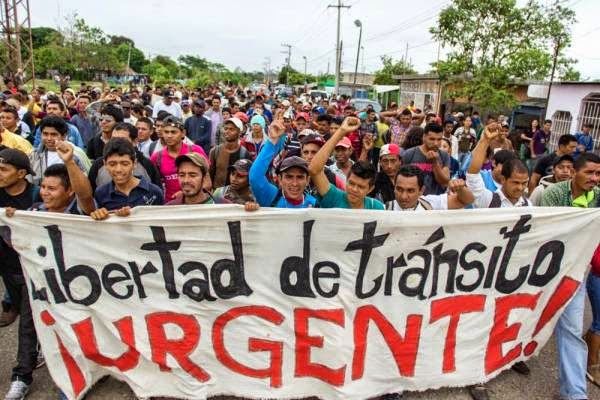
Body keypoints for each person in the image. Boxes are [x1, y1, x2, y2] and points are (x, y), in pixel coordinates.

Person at [3, 141, 94, 400]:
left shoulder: (78, 213)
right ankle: (21, 377)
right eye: (43, 187)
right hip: (40, 280)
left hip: (76, 285)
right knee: (28, 328)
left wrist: (69, 162)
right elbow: (17, 244)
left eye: (52, 189)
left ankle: (76, 378)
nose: (44, 193)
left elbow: (86, 197)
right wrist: (13, 224)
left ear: (68, 192)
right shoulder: (34, 212)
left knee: (75, 329)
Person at [541, 152, 600, 400]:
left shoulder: (597, 198)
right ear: (573, 172)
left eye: (598, 174)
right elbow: (545, 232)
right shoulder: (554, 194)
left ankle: (574, 393)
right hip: (542, 274)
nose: (595, 178)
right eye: (589, 172)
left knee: (571, 330)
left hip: (574, 275)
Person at [308, 116, 384, 210]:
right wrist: (341, 131)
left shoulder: (376, 207)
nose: (354, 190)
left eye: (361, 187)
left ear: (370, 189)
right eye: (351, 183)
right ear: (347, 179)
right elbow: (314, 170)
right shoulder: (334, 198)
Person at [0, 148, 38, 330]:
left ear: (21, 173)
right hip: (7, 261)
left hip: (32, 259)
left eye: (3, 169)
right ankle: (13, 305)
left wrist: (23, 216)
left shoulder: (37, 194)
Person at [249, 114, 316, 208]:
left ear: (307, 180)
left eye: (300, 177)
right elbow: (255, 177)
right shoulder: (272, 197)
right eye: (289, 177)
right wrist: (272, 141)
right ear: (280, 179)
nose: (294, 183)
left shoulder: (315, 205)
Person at [91, 139, 164, 220]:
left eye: (125, 164)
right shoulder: (101, 193)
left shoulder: (154, 192)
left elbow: (161, 222)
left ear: (134, 163)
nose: (118, 169)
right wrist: (100, 214)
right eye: (112, 164)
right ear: (105, 164)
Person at [467, 125, 531, 209]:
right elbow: (473, 175)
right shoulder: (489, 200)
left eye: (524, 183)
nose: (520, 188)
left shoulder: (528, 205)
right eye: (515, 182)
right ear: (503, 180)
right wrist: (485, 140)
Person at [88, 123, 161, 192]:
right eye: (113, 139)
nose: (117, 143)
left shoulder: (146, 165)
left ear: (135, 142)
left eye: (122, 140)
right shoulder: (98, 165)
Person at [150, 115, 209, 201]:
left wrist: (185, 193)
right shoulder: (157, 157)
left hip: (195, 203)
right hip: (171, 204)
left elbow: (207, 182)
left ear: (183, 133)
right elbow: (153, 185)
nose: (169, 136)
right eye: (166, 132)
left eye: (173, 132)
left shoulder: (196, 150)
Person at [387, 165, 474, 210]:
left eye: (410, 191)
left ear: (421, 190)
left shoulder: (431, 204)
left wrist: (461, 189)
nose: (403, 196)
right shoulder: (384, 209)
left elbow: (466, 201)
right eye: (399, 189)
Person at [29, 116, 87, 185]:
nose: (49, 138)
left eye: (54, 134)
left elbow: (82, 183)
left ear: (64, 136)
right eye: (45, 134)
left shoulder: (74, 156)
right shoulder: (34, 156)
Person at [402, 123, 450, 195]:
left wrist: (435, 162)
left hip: (434, 199)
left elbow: (444, 182)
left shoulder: (444, 155)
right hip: (413, 198)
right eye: (432, 139)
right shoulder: (409, 154)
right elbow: (402, 179)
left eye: (439, 139)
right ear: (424, 137)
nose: (436, 143)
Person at [208, 117, 251, 189]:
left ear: (239, 132)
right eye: (226, 129)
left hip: (236, 193)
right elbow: (210, 174)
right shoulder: (215, 151)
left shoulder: (244, 153)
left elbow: (247, 178)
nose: (227, 131)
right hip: (217, 192)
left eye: (231, 129)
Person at [586, 244, 600, 386]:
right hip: (598, 278)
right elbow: (595, 257)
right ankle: (592, 365)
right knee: (599, 325)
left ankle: (587, 343)